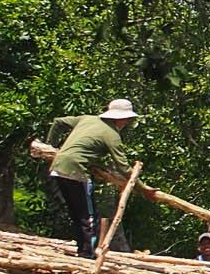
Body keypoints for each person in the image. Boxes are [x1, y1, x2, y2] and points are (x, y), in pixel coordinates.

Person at [47, 98, 146, 258]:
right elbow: (123, 167)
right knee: (89, 217)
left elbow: (58, 122)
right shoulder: (112, 135)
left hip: (57, 168)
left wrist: (51, 144)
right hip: (76, 171)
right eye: (127, 120)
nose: (126, 123)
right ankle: (88, 255)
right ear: (121, 119)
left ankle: (83, 251)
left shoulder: (86, 119)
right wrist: (142, 187)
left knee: (77, 214)